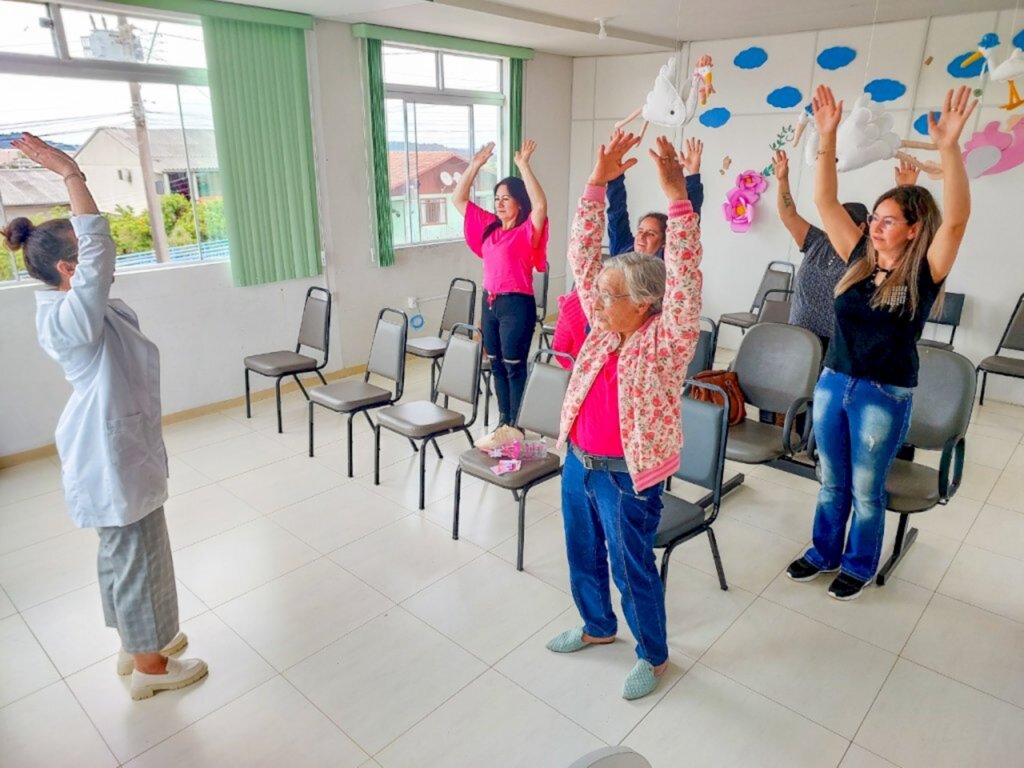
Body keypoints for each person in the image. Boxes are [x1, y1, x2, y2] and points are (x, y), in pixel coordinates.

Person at [2, 134, 207, 700]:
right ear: (71, 269)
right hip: (112, 456)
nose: (106, 260)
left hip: (117, 448)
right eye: (89, 259)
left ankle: (136, 645)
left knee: (130, 550)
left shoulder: (69, 308)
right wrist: (72, 176)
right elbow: (100, 250)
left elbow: (97, 261)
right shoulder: (71, 316)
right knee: (136, 554)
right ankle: (150, 670)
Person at [786, 85, 976, 600]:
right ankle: (823, 552)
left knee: (867, 491)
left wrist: (951, 148)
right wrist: (826, 136)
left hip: (882, 394)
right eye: (874, 217)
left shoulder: (925, 275)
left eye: (887, 221)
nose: (874, 225)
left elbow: (955, 220)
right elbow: (825, 199)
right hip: (833, 383)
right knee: (830, 480)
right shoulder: (857, 258)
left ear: (914, 231)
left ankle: (858, 563)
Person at [545, 131, 703, 700]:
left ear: (642, 302)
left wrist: (678, 199)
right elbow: (581, 256)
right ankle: (596, 626)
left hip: (627, 476)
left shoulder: (666, 340)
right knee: (581, 550)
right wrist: (597, 181)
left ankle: (653, 654)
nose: (595, 297)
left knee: (631, 568)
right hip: (580, 463)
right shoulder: (603, 328)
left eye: (607, 294)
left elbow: (685, 283)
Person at [551, 137, 705, 366]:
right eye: (640, 231)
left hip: (640, 346)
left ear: (664, 243)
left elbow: (684, 248)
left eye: (651, 234)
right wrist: (607, 179)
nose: (641, 237)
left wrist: (684, 189)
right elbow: (614, 216)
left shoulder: (666, 271)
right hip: (605, 338)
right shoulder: (623, 251)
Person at [453, 139, 548, 448]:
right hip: (490, 303)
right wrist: (474, 166)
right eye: (497, 198)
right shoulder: (491, 228)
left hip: (517, 305)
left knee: (514, 365)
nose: (500, 203)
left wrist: (525, 167)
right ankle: (503, 420)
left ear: (520, 203)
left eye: (507, 198)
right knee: (494, 364)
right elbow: (459, 198)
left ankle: (517, 424)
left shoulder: (526, 230)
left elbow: (541, 206)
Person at [772, 148, 868, 355]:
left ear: (860, 228)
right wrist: (782, 181)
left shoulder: (865, 255)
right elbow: (789, 215)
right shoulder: (817, 240)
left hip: (835, 345)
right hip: (798, 333)